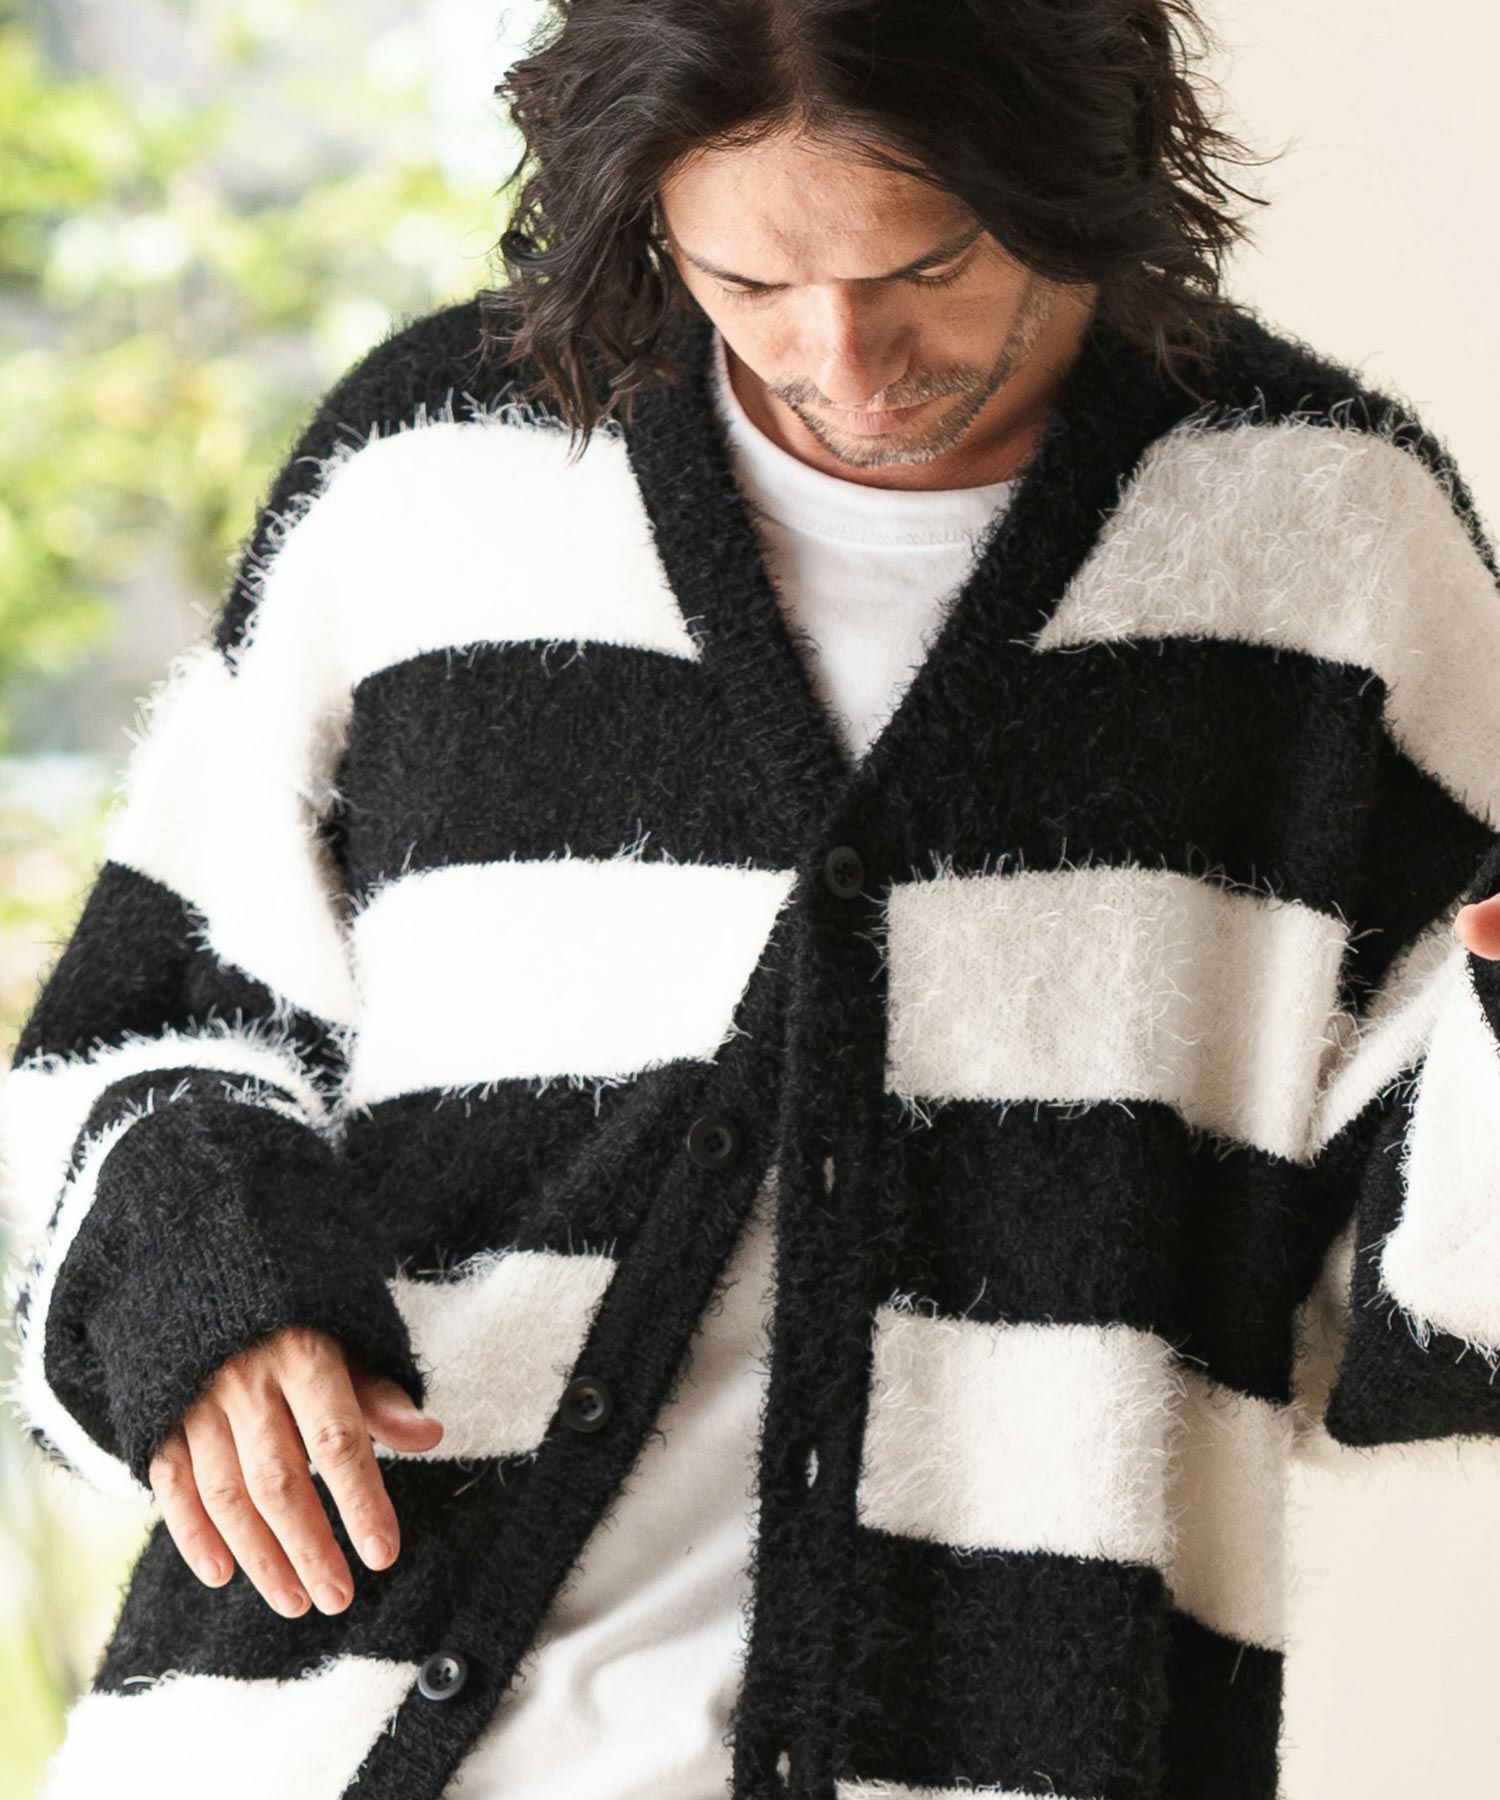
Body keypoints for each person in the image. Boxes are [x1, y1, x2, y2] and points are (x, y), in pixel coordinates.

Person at [8, 2, 1500, 1798]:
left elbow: (1403, 1331)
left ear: (1081, 159)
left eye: (928, 266)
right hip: (312, 1739)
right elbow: (140, 1031)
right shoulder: (433, 469)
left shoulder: (1330, 541)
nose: (841, 360)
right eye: (748, 281)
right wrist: (205, 1281)